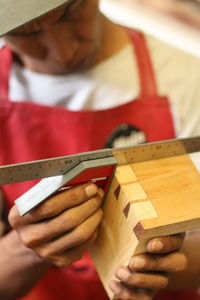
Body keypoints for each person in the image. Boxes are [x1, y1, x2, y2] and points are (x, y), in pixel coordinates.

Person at [0, 0, 200, 299]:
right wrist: (27, 250)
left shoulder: (186, 79)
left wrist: (161, 264)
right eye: (26, 33)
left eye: (68, 15)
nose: (63, 52)